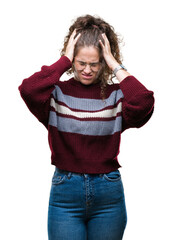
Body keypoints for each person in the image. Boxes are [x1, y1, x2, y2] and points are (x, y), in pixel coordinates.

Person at [18, 14, 154, 240]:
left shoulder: (116, 96)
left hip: (108, 194)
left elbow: (143, 102)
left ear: (103, 62)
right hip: (65, 194)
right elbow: (28, 89)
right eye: (81, 63)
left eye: (95, 63)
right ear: (73, 60)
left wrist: (114, 63)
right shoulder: (56, 94)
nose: (87, 70)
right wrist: (64, 60)